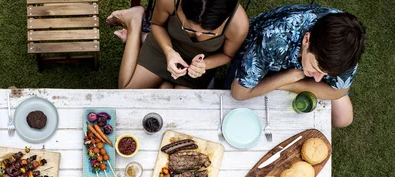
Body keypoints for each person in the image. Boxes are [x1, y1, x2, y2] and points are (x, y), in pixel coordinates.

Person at [229, 5, 366, 128]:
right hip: (268, 54)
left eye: (326, 74)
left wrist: (288, 84)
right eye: (316, 68)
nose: (318, 80)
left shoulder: (347, 46)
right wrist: (287, 77)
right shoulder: (274, 38)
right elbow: (239, 93)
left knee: (343, 118)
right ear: (307, 39)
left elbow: (338, 92)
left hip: (297, 69)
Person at [107, 0, 248, 89]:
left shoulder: (238, 25)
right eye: (188, 28)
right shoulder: (169, 1)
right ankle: (135, 20)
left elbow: (227, 55)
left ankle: (165, 85)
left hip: (199, 65)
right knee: (127, 91)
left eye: (209, 33)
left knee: (178, 104)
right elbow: (157, 25)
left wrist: (205, 65)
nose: (198, 35)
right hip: (164, 47)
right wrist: (169, 51)